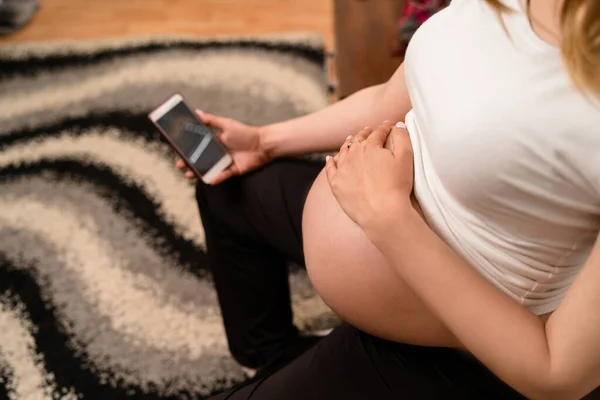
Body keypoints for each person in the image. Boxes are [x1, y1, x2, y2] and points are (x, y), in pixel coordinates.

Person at [177, 0, 600, 398]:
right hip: (374, 215)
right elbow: (390, 100)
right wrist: (265, 141)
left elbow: (556, 376)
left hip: (471, 350)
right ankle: (272, 360)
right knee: (225, 192)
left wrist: (388, 219)